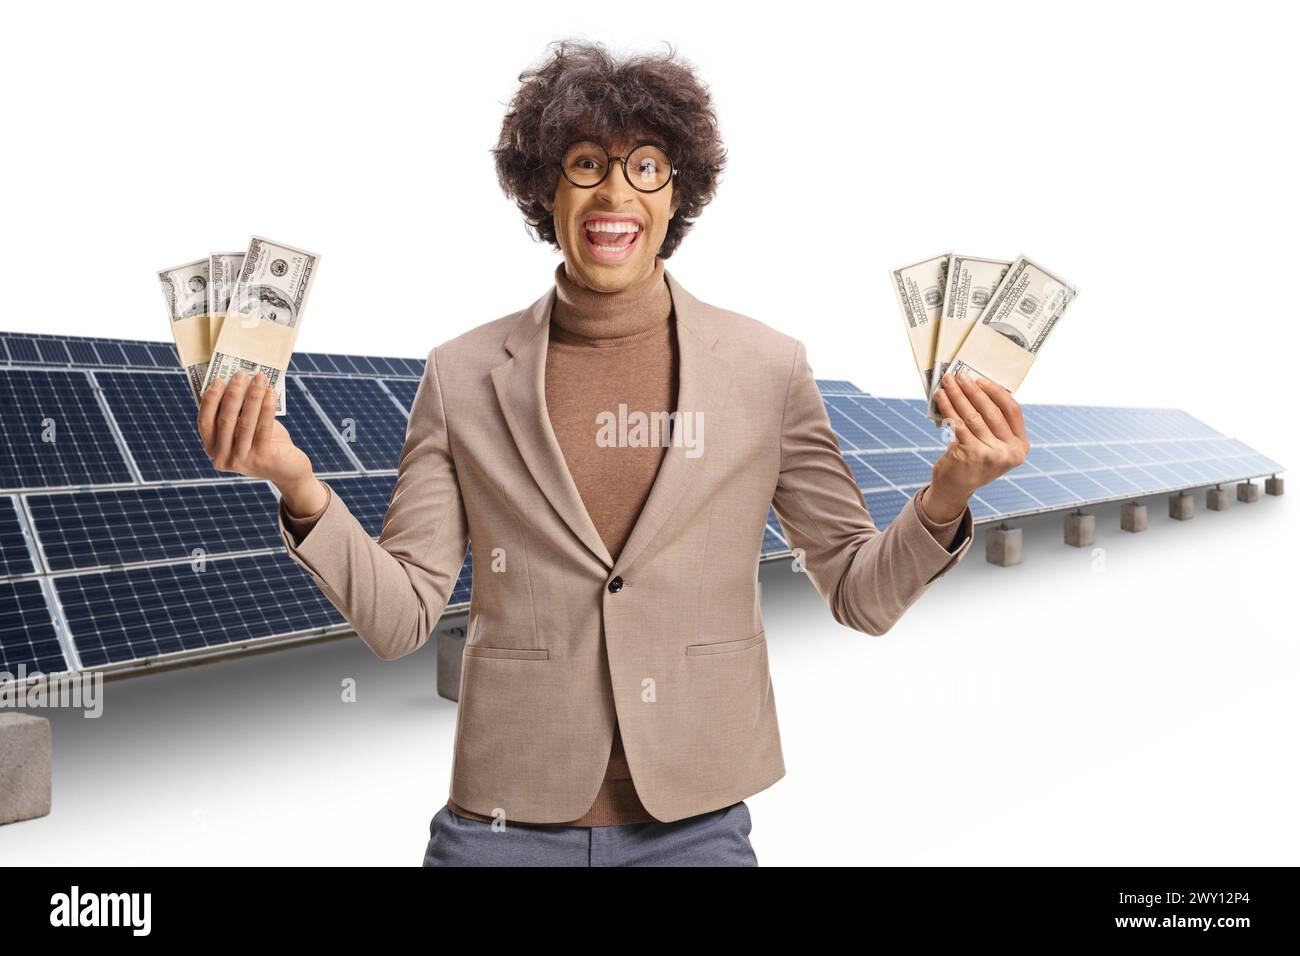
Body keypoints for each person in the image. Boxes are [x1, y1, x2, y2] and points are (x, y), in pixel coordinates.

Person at [195, 39, 1029, 867]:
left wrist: (947, 496)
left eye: (647, 167)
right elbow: (402, 614)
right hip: (502, 820)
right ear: (545, 189)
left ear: (678, 197)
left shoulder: (768, 368)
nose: (615, 192)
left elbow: (858, 591)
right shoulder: (462, 373)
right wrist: (297, 484)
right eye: (587, 163)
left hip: (695, 821)